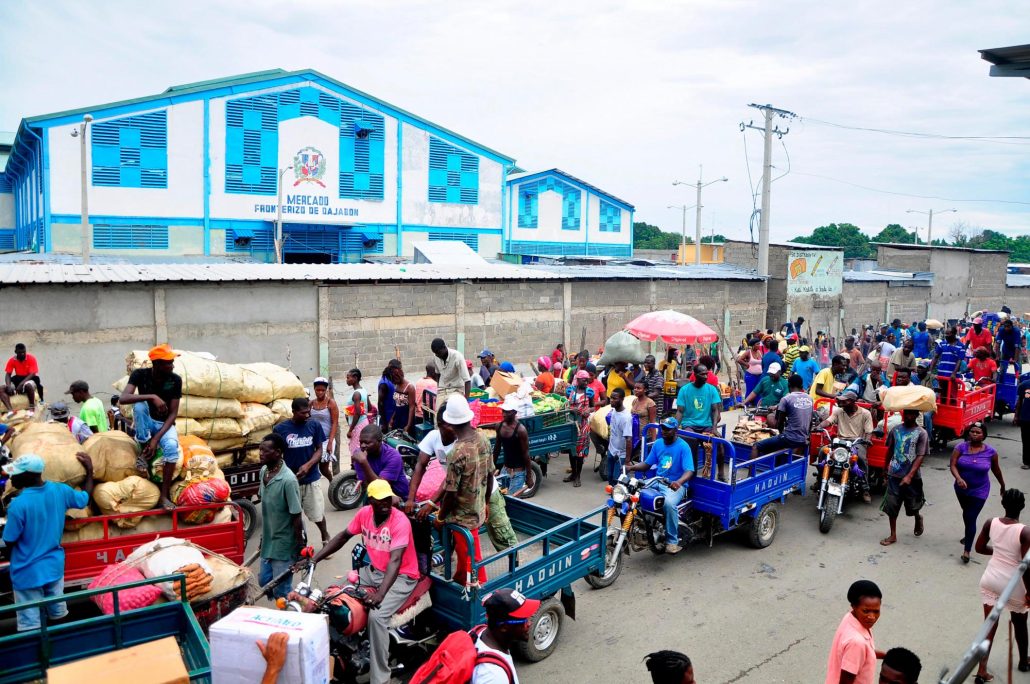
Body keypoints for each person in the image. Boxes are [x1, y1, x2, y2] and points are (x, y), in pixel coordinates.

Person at [310, 480, 418, 684]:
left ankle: (381, 678)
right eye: (380, 500)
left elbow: (395, 561)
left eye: (388, 498)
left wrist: (380, 594)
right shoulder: (364, 514)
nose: (386, 503)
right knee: (330, 595)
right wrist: (314, 560)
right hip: (374, 571)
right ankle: (338, 652)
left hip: (403, 576)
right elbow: (342, 537)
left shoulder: (399, 521)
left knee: (377, 618)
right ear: (370, 501)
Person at [2, 452, 93, 631]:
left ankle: (38, 656)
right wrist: (90, 471)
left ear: (28, 475)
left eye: (15, 473)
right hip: (53, 567)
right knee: (58, 613)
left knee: (30, 623)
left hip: (26, 571)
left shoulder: (18, 505)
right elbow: (84, 499)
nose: (11, 477)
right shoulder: (60, 490)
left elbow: (9, 539)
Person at [975, 488, 1030, 681]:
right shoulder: (1025, 531)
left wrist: (999, 552)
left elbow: (979, 547)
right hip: (1013, 584)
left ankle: (981, 669)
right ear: (1023, 506)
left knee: (990, 625)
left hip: (990, 579)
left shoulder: (991, 522)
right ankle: (1024, 661)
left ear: (1003, 504)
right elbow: (1026, 566)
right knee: (1020, 623)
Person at [437, 395, 493, 585]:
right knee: (464, 558)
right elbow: (490, 474)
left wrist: (440, 517)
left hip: (462, 519)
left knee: (472, 561)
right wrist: (486, 502)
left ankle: (480, 597)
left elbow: (451, 493)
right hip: (478, 510)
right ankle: (460, 581)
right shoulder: (483, 438)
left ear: (449, 423)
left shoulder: (457, 452)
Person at [119, 343, 182, 510]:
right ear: (157, 364)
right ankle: (145, 449)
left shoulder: (175, 380)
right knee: (139, 406)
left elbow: (173, 414)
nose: (172, 365)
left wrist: (156, 439)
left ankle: (163, 496)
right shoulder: (140, 375)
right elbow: (123, 398)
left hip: (164, 424)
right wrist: (152, 396)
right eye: (168, 362)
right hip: (146, 423)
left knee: (171, 448)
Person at [627, 417, 694, 554]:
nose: (664, 431)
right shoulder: (658, 444)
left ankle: (672, 541)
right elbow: (647, 464)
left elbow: (689, 470)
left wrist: (679, 482)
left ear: (675, 431)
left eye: (667, 429)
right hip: (657, 481)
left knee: (668, 503)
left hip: (675, 485)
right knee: (630, 491)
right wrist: (630, 468)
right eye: (662, 428)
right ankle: (634, 528)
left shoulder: (683, 446)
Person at [272, 397, 330, 545]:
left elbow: (319, 450)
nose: (307, 416)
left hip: (311, 479)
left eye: (308, 412)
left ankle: (325, 536)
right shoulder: (281, 429)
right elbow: (276, 453)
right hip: (291, 481)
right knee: (293, 516)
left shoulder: (314, 425)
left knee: (317, 514)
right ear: (294, 412)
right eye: (303, 413)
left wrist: (308, 465)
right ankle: (300, 543)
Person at [257, 433, 303, 600]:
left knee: (281, 590)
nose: (260, 454)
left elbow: (296, 515)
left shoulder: (288, 480)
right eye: (260, 450)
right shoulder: (263, 472)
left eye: (265, 451)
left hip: (284, 543)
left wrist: (300, 547)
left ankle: (291, 612)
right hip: (269, 540)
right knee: (264, 581)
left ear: (277, 452)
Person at [951, 422, 1005, 564]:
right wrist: (958, 478)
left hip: (980, 490)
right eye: (972, 432)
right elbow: (953, 464)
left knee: (970, 515)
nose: (974, 434)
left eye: (978, 432)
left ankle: (967, 551)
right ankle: (968, 534)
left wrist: (1002, 485)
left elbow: (996, 470)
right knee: (966, 513)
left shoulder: (991, 452)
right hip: (961, 488)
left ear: (984, 435)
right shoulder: (960, 447)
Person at [471, 589, 539, 684]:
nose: (529, 623)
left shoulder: (478, 631)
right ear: (504, 627)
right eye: (524, 621)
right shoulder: (493, 677)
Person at [880, 410, 927, 546]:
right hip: (894, 473)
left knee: (913, 506)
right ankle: (893, 535)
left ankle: (918, 517)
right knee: (892, 505)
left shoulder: (921, 433)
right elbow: (890, 450)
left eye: (911, 414)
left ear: (917, 415)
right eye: (906, 413)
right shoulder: (895, 430)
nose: (908, 416)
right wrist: (885, 468)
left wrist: (909, 475)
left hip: (912, 477)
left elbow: (920, 456)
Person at [817, 391, 874, 502]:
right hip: (840, 441)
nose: (841, 402)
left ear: (853, 402)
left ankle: (865, 488)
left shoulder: (865, 413)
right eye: (840, 400)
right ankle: (820, 479)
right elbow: (829, 421)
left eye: (845, 401)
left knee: (861, 459)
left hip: (856, 442)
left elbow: (869, 431)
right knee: (822, 452)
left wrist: (867, 440)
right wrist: (819, 426)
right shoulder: (838, 411)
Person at [825, 579, 885, 684]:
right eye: (866, 611)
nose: (872, 617)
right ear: (853, 606)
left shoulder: (851, 618)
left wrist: (888, 656)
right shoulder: (856, 642)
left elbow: (866, 653)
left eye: (876, 611)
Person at [752, 374, 812, 458]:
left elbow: (779, 424)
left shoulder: (786, 399)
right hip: (803, 438)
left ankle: (751, 471)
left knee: (756, 446)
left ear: (789, 385)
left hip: (789, 439)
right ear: (801, 386)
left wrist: (778, 433)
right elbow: (810, 422)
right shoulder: (809, 399)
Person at [354, 423, 411, 501]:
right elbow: (366, 484)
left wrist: (364, 463)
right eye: (361, 442)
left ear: (380, 441)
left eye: (367, 442)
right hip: (375, 498)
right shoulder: (359, 455)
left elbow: (381, 488)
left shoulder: (393, 456)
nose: (363, 446)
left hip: (400, 498)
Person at [493, 396, 532, 497]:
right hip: (505, 470)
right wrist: (492, 467)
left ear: (514, 412)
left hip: (518, 473)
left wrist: (529, 475)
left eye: (507, 412)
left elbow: (526, 454)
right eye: (503, 411)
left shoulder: (521, 430)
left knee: (510, 503)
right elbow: (497, 448)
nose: (504, 414)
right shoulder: (499, 426)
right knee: (501, 499)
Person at [565, 370, 596, 487]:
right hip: (572, 424)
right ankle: (573, 473)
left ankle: (578, 476)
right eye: (584, 380)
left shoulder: (589, 392)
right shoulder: (570, 391)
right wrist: (571, 409)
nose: (586, 382)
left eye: (587, 380)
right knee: (572, 450)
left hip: (583, 425)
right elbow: (565, 405)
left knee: (580, 452)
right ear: (577, 380)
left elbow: (593, 406)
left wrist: (588, 410)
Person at [309, 377, 340, 483]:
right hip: (313, 441)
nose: (320, 392)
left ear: (326, 390)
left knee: (323, 468)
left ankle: (332, 482)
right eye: (318, 390)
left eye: (323, 390)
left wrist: (330, 442)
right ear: (314, 389)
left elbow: (335, 423)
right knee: (312, 466)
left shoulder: (331, 403)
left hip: (327, 439)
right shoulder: (311, 404)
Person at [605, 388, 635, 486]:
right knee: (609, 476)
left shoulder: (626, 418)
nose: (612, 400)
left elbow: (629, 440)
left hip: (620, 455)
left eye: (615, 398)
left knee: (617, 479)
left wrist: (627, 460)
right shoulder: (613, 411)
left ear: (622, 399)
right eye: (611, 398)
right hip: (611, 450)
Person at [1, 343, 41, 413]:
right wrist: (8, 385)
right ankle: (10, 410)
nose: (22, 354)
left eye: (24, 352)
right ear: (15, 352)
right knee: (1, 388)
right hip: (17, 379)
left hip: (29, 379)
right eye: (20, 352)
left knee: (28, 386)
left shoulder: (31, 358)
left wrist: (21, 384)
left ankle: (31, 407)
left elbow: (32, 373)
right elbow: (8, 374)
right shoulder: (12, 360)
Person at [432, 337, 471, 403]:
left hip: (456, 390)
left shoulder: (457, 357)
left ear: (444, 347)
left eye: (438, 353)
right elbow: (438, 374)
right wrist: (438, 388)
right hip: (442, 390)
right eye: (435, 353)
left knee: (451, 407)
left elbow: (467, 381)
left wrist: (466, 401)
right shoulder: (436, 357)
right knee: (439, 411)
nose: (437, 355)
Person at [343, 368, 370, 460]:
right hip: (364, 422)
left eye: (348, 377)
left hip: (357, 425)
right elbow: (369, 408)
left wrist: (350, 430)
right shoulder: (363, 391)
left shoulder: (356, 394)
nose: (346, 380)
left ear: (355, 377)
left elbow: (357, 413)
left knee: (355, 451)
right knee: (361, 448)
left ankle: (355, 470)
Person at [389, 365, 417, 436]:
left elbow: (412, 407)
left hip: (406, 418)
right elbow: (397, 404)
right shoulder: (396, 386)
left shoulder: (410, 388)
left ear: (398, 376)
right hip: (397, 418)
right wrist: (392, 419)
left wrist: (408, 425)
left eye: (394, 380)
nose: (394, 382)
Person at [631, 380, 658, 444]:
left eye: (638, 388)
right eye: (635, 388)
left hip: (644, 436)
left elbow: (652, 423)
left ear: (645, 390)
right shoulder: (635, 401)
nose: (636, 390)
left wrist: (653, 441)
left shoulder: (650, 403)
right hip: (634, 435)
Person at [377, 359, 400, 428]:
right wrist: (384, 423)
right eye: (399, 369)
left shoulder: (392, 380)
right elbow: (380, 403)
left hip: (393, 416)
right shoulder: (384, 384)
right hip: (387, 418)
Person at [413, 363, 438, 427]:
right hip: (428, 417)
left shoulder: (419, 381)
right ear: (433, 373)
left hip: (418, 414)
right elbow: (434, 404)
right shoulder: (434, 384)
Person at [1015, 371, 1030, 470]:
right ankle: (1027, 462)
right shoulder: (1025, 385)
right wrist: (1016, 415)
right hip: (1026, 418)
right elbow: (1019, 401)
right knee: (1026, 440)